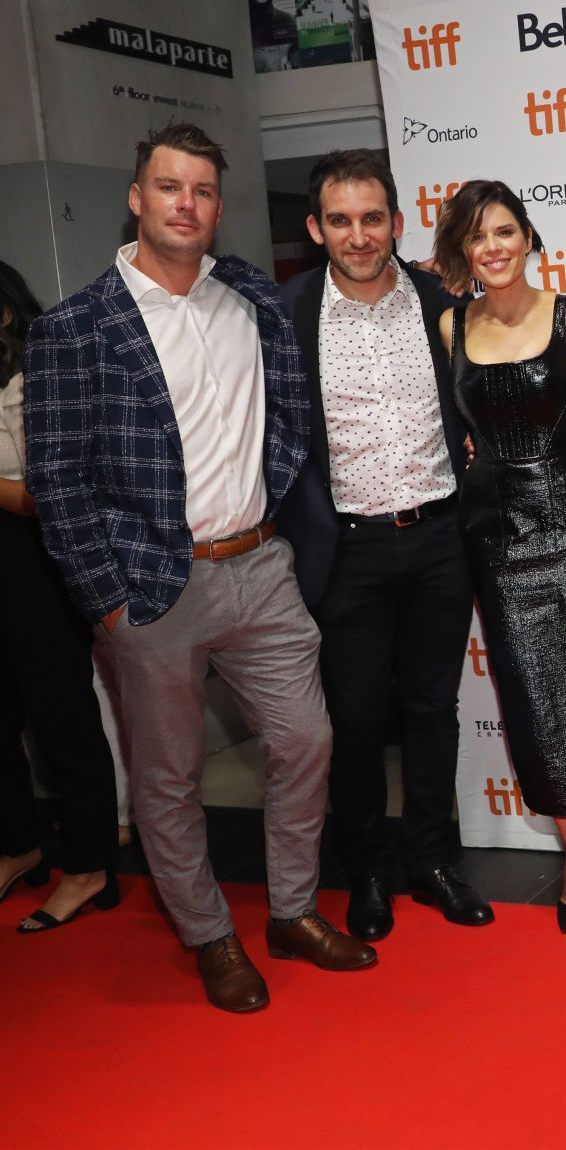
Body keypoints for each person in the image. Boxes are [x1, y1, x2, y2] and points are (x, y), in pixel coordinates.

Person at [25, 124, 376, 1012]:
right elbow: (56, 478)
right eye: (169, 187)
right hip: (150, 587)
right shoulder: (75, 327)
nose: (187, 204)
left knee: (307, 739)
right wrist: (107, 600)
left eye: (203, 191)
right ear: (138, 198)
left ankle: (292, 910)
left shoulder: (254, 297)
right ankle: (210, 933)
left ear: (220, 207)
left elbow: (290, 415)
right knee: (168, 777)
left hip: (259, 565)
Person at [278, 150, 493, 942]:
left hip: (439, 536)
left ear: (397, 223)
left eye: (373, 218)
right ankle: (367, 869)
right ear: (315, 227)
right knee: (357, 721)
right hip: (347, 551)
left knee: (436, 710)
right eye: (340, 219)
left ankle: (434, 860)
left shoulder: (444, 300)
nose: (359, 234)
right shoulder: (289, 311)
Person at [433, 181, 566, 966]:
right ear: (464, 252)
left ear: (528, 235)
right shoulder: (453, 323)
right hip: (496, 530)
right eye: (478, 237)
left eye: (506, 231)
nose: (495, 248)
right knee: (535, 698)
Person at [0, 261, 120, 932]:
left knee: (61, 720)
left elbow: (48, 493)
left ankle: (90, 865)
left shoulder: (40, 375)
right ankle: (18, 845)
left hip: (34, 561)